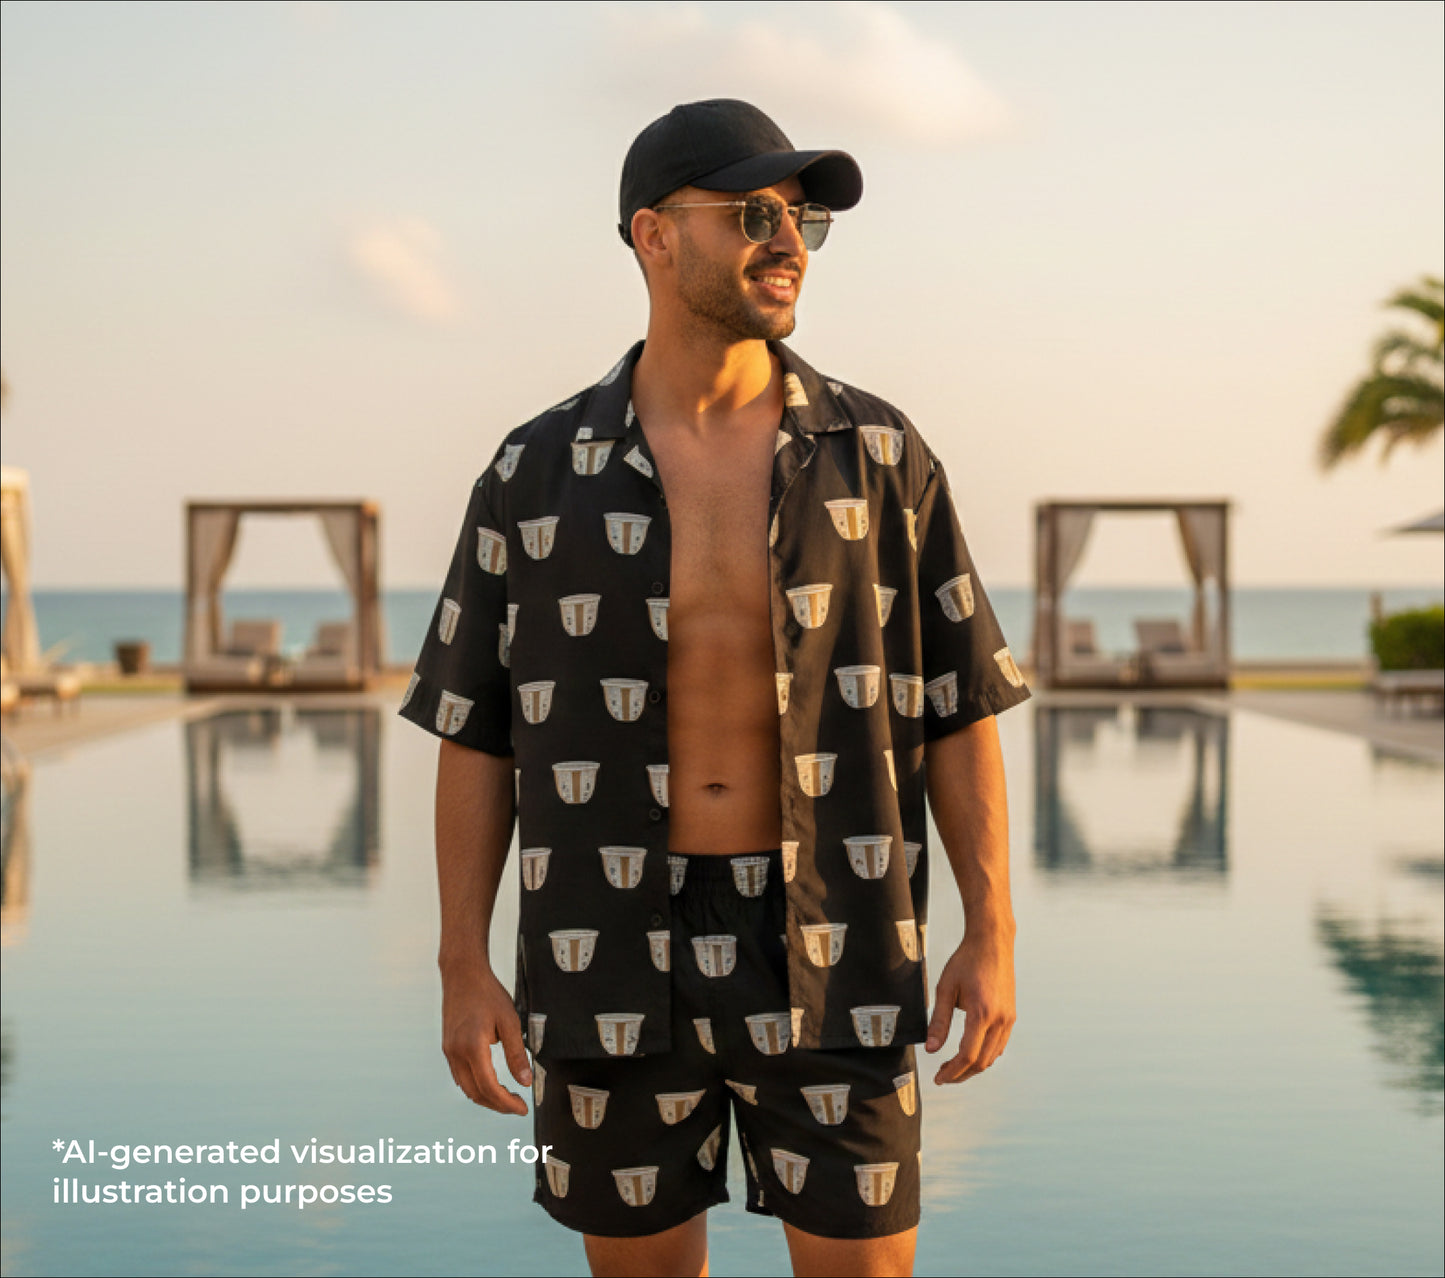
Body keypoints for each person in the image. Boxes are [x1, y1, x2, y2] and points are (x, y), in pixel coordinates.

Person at [399, 98, 1031, 1278]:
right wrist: (460, 960)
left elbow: (957, 707)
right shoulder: (536, 472)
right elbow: (475, 731)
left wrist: (989, 930)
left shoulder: (879, 457)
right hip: (601, 941)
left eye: (799, 219)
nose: (786, 242)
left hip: (839, 937)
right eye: (751, 215)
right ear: (652, 234)